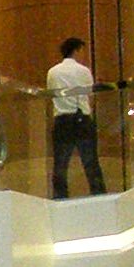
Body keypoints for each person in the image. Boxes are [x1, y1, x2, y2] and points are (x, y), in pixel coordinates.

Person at [47, 32, 107, 199]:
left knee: (60, 163)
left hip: (62, 119)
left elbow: (52, 94)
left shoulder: (52, 72)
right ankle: (98, 194)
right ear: (77, 50)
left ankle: (60, 196)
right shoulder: (83, 71)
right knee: (90, 161)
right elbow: (89, 95)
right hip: (82, 118)